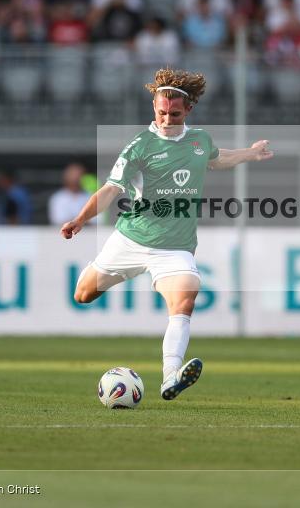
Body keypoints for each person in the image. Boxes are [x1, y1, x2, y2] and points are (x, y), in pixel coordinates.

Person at [62, 68, 273, 400]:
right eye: (161, 113)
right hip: (130, 240)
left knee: (185, 299)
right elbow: (109, 190)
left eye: (174, 114)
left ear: (188, 111)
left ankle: (170, 375)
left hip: (175, 248)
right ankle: (96, 270)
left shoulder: (199, 140)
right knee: (83, 295)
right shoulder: (139, 147)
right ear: (154, 108)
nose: (166, 120)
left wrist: (250, 153)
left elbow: (216, 160)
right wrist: (80, 218)